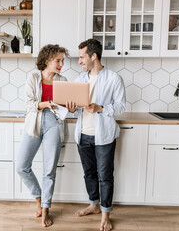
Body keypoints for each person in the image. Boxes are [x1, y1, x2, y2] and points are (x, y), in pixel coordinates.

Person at [66, 39, 126, 231]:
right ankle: (94, 204)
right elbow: (74, 111)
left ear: (94, 56)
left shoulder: (113, 78)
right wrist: (71, 108)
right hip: (83, 135)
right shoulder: (79, 80)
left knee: (105, 176)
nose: (79, 62)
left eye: (82, 57)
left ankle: (106, 214)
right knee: (89, 173)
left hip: (104, 136)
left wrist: (100, 108)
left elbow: (121, 106)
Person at [16, 44, 69, 227]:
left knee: (49, 169)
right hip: (35, 121)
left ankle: (45, 209)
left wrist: (71, 106)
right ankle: (38, 198)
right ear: (47, 61)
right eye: (58, 60)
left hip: (54, 123)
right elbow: (29, 104)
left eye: (62, 60)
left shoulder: (63, 80)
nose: (62, 64)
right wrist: (48, 103)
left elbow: (64, 107)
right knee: (22, 166)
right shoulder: (33, 77)